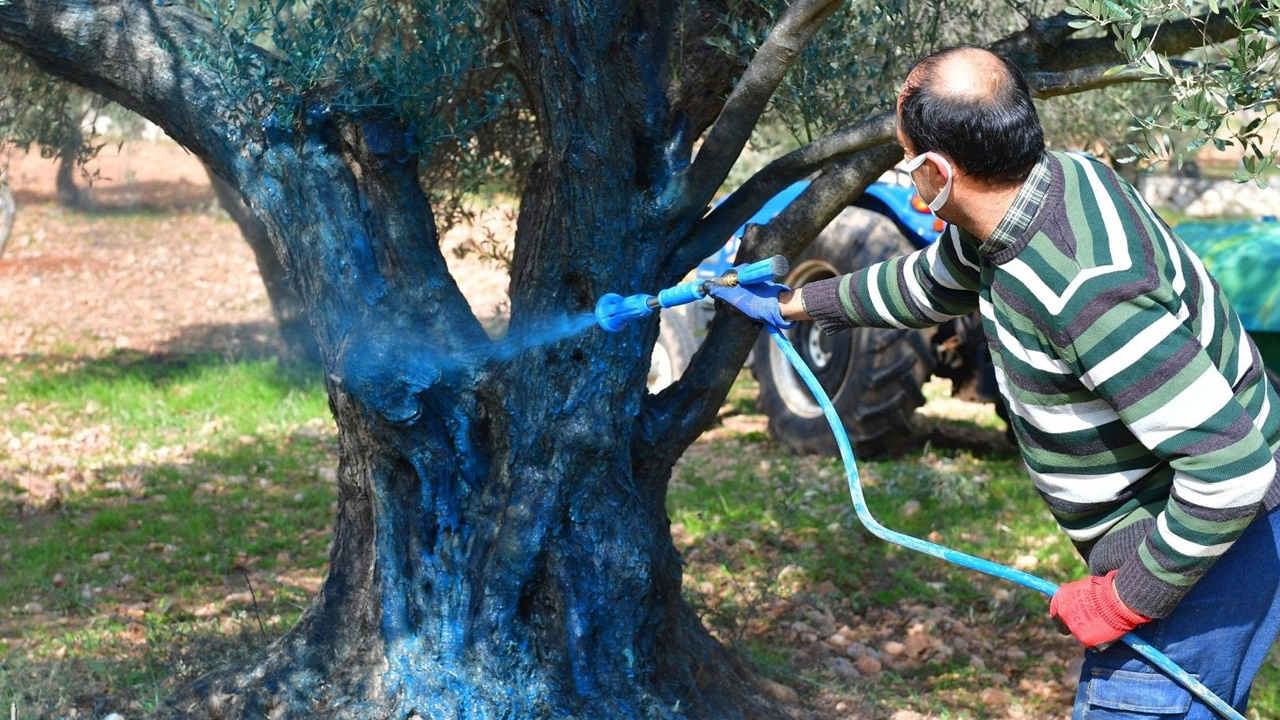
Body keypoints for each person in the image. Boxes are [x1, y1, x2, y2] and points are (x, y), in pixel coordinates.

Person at [712, 46, 1280, 718]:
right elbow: (926, 283)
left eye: (904, 158)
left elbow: (1230, 472)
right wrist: (794, 305)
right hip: (1193, 535)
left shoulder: (1084, 290)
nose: (905, 175)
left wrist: (1125, 598)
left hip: (1209, 550)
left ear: (935, 171)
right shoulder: (1042, 191)